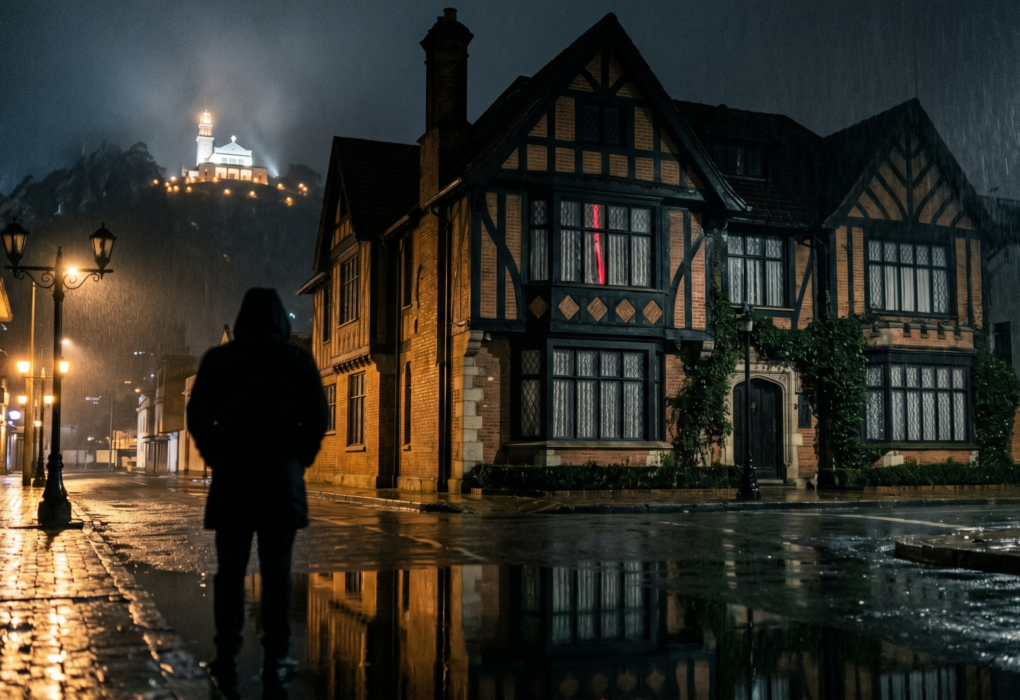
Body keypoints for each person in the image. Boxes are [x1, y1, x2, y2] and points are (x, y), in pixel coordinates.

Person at [187, 288, 328, 698]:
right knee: (277, 571)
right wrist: (298, 459)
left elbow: (198, 416)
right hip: (279, 483)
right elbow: (317, 417)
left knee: (230, 570)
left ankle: (227, 653)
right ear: (281, 322)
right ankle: (276, 655)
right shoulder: (296, 361)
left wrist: (216, 454)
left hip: (233, 479)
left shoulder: (219, 361)